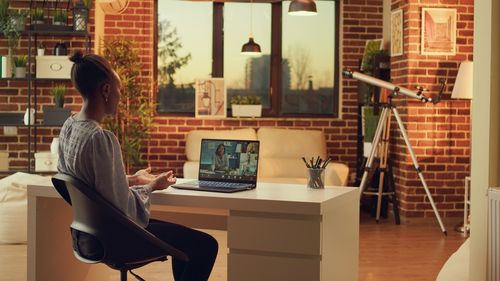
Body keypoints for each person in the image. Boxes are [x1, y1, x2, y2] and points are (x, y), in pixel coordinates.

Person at [57, 51, 218, 281]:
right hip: (116, 238)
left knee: (186, 244)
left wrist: (132, 178)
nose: (120, 97)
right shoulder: (100, 138)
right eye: (118, 90)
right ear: (105, 90)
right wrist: (152, 185)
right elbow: (123, 208)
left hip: (87, 236)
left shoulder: (69, 127)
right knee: (204, 246)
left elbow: (92, 185)